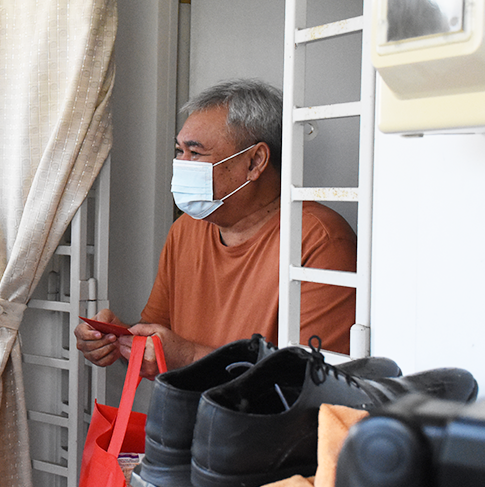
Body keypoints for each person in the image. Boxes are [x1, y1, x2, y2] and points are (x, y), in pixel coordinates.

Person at [76, 78, 357, 378]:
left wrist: (188, 356)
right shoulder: (186, 230)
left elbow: (311, 381)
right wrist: (117, 342)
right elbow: (159, 341)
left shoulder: (320, 241)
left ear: (255, 162)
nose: (182, 164)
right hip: (186, 421)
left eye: (195, 153)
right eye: (179, 151)